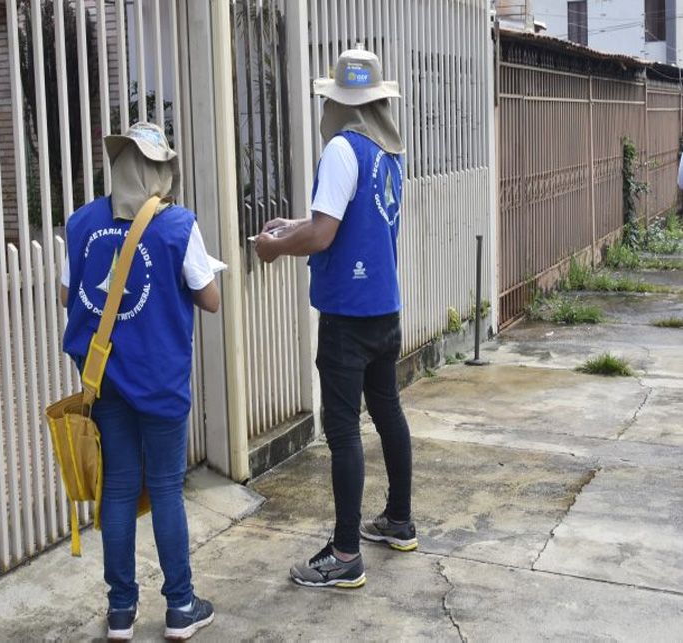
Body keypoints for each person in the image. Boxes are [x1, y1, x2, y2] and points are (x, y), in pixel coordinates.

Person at [254, 49, 417, 589]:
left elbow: (324, 235)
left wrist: (275, 246)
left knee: (343, 429)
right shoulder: (386, 151)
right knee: (387, 410)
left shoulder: (342, 151)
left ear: (339, 104)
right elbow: (340, 218)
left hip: (347, 314)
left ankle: (346, 551)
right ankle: (398, 519)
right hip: (384, 308)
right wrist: (293, 223)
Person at [60, 122, 219, 639]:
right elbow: (210, 298)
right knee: (168, 488)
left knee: (121, 489)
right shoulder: (178, 226)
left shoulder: (82, 222)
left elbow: (69, 297)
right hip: (160, 383)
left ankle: (121, 612)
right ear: (158, 170)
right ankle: (179, 606)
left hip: (104, 381)